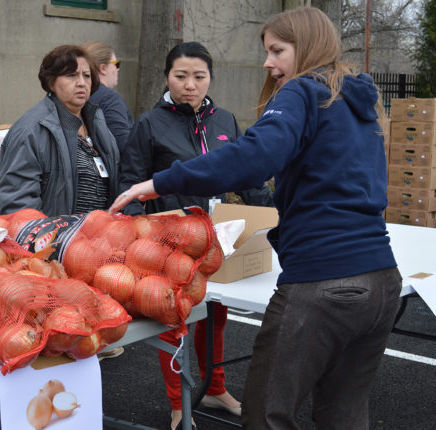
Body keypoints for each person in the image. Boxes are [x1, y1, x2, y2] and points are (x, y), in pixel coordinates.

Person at [110, 7, 401, 430]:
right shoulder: (357, 104)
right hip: (381, 280)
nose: (268, 62)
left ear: (307, 47)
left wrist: (157, 183)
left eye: (277, 51)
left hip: (322, 280)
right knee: (344, 414)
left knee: (266, 415)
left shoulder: (303, 91)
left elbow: (254, 159)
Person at [118, 41, 273, 430]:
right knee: (175, 321)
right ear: (167, 77)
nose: (190, 84)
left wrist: (272, 215)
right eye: (181, 76)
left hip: (217, 238)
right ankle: (178, 404)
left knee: (215, 316)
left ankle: (216, 388)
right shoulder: (149, 124)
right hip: (166, 244)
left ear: (210, 79)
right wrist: (139, 241)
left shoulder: (225, 120)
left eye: (199, 76)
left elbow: (248, 174)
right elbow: (130, 183)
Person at [0, 44, 120, 216]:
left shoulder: (98, 125)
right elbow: (17, 207)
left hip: (99, 238)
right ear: (51, 82)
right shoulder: (30, 130)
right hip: (55, 240)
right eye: (71, 75)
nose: (81, 83)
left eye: (87, 76)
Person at [82, 40, 134, 153]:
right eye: (116, 64)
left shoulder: (79, 95)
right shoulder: (109, 99)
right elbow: (124, 144)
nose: (118, 69)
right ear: (103, 68)